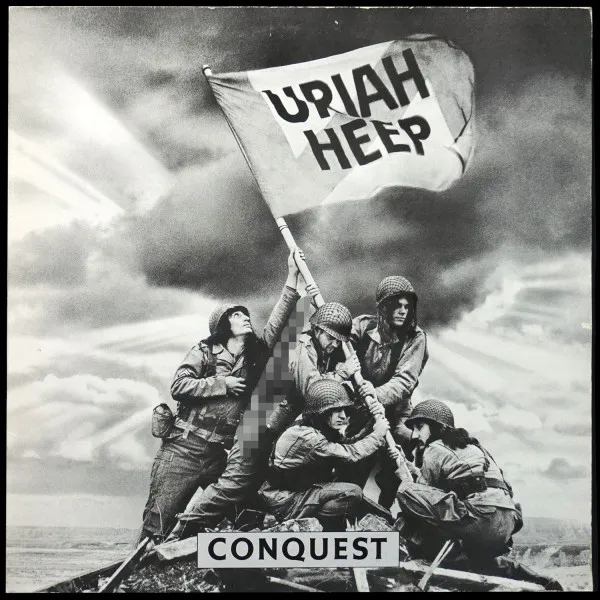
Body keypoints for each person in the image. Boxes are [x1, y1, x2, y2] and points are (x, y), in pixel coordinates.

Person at [138, 248, 304, 544]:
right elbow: (179, 385)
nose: (245, 317)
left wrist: (292, 276)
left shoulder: (253, 357)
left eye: (245, 314)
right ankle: (140, 570)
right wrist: (222, 383)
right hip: (182, 449)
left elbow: (277, 323)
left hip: (218, 455)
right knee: (156, 527)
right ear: (223, 325)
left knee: (247, 513)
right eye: (236, 315)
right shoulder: (204, 351)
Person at [167, 299, 358, 540]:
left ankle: (235, 532)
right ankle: (179, 534)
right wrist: (342, 373)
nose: (334, 344)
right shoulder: (303, 348)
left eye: (339, 341)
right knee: (232, 485)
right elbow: (314, 393)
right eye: (331, 338)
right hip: (257, 425)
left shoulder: (318, 353)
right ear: (318, 330)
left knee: (252, 487)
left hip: (270, 430)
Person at [391, 399, 563, 591]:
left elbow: (423, 493)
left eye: (420, 427)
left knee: (406, 491)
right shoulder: (474, 447)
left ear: (437, 426)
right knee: (479, 561)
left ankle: (425, 552)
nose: (415, 434)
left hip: (481, 519)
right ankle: (541, 581)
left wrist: (404, 473)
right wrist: (414, 469)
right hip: (506, 522)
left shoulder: (434, 448)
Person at [341, 275, 429, 510]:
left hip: (396, 410)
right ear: (384, 307)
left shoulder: (415, 338)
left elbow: (405, 381)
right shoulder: (362, 326)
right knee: (352, 465)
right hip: (360, 409)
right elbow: (340, 347)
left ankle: (384, 515)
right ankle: (345, 514)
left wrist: (375, 394)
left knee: (398, 459)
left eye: (407, 306)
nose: (403, 311)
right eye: (397, 305)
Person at [258, 379, 390, 531]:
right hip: (285, 501)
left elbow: (348, 444)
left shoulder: (316, 425)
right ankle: (317, 523)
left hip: (299, 493)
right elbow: (350, 454)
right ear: (322, 412)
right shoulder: (308, 437)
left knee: (354, 486)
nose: (343, 416)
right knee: (352, 492)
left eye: (343, 410)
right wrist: (377, 435)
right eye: (336, 410)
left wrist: (372, 424)